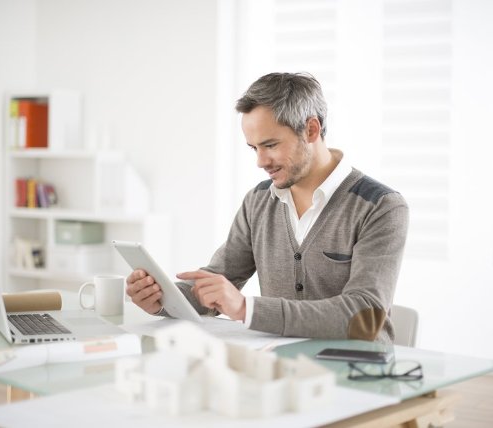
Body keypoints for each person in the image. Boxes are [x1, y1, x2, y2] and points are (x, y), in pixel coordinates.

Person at [127, 72, 409, 343]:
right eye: (254, 148)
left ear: (311, 129)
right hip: (281, 372)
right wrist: (161, 300)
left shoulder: (381, 206)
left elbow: (366, 316)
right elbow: (217, 284)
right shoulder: (259, 201)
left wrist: (247, 309)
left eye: (270, 145)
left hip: (357, 377)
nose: (261, 162)